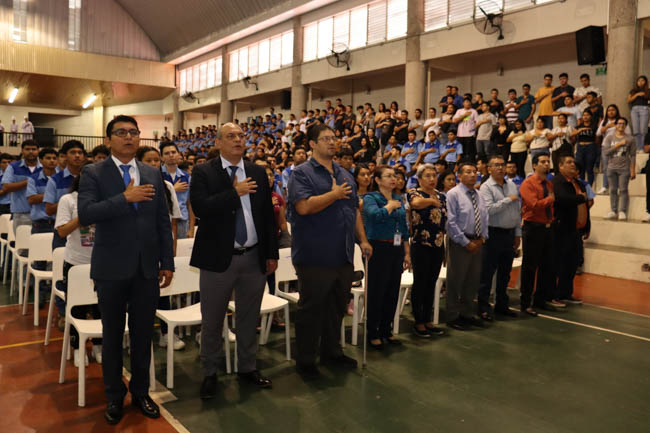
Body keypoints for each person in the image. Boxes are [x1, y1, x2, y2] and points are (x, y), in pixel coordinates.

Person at [78, 115, 174, 424]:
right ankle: (114, 397)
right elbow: (86, 212)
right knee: (113, 335)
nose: (129, 137)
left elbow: (162, 219)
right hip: (110, 268)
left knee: (144, 335)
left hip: (146, 268)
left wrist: (167, 262)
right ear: (108, 140)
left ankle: (142, 392)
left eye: (134, 132)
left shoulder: (151, 173)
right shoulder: (93, 172)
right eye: (121, 133)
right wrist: (124, 197)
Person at [190, 122, 278, 398]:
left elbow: (266, 216)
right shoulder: (204, 171)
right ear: (218, 143)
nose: (238, 140)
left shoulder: (256, 171)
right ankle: (210, 372)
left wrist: (271, 254)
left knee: (248, 317)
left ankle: (247, 367)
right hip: (219, 258)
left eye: (241, 136)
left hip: (253, 257)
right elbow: (201, 208)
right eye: (231, 136)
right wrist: (234, 193)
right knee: (213, 319)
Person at [287, 123, 372, 377]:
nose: (332, 142)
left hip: (343, 254)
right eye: (325, 139)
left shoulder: (344, 173)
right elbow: (303, 207)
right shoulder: (301, 174)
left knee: (336, 308)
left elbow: (354, 209)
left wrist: (363, 240)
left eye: (334, 138)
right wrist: (333, 195)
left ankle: (331, 352)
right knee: (312, 310)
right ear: (312, 144)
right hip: (315, 254)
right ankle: (306, 361)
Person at [136, 146, 185, 350]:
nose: (155, 164)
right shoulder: (133, 185)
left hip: (158, 248)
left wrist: (170, 253)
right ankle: (135, 338)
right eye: (150, 160)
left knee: (161, 294)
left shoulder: (166, 186)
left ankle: (166, 334)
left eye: (157, 160)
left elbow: (171, 223)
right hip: (136, 248)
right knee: (136, 298)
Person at [55, 165, 103, 367]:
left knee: (101, 308)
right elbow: (62, 231)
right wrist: (82, 217)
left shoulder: (104, 200)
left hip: (102, 261)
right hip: (76, 263)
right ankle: (78, 347)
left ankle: (100, 346)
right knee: (77, 309)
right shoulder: (68, 200)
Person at [362, 165, 409, 348]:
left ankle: (386, 330)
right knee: (377, 291)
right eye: (388, 176)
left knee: (392, 291)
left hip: (396, 248)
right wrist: (389, 207)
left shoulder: (399, 198)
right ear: (378, 180)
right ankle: (373, 332)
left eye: (395, 176)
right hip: (378, 247)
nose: (393, 179)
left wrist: (407, 252)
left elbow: (404, 227)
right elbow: (374, 216)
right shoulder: (370, 198)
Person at [445, 161, 489, 330]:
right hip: (460, 242)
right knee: (456, 280)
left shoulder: (478, 194)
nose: (473, 174)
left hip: (477, 242)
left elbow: (484, 218)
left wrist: (482, 239)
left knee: (472, 280)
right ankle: (453, 315)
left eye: (475, 172)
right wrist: (465, 242)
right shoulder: (453, 194)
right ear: (460, 176)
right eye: (468, 172)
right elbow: (451, 221)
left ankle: (467, 313)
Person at [477, 155, 521, 320]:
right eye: (496, 165)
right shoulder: (486, 187)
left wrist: (517, 234)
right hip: (493, 234)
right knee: (487, 273)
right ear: (489, 169)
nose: (501, 168)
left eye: (503, 165)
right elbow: (488, 210)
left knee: (505, 273)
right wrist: (507, 200)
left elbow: (517, 211)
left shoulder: (511, 185)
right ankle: (483, 307)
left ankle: (502, 305)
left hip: (509, 234)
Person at [519, 152, 563, 316]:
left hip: (547, 228)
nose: (546, 164)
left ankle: (540, 299)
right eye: (543, 161)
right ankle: (525, 303)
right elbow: (533, 205)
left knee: (547, 266)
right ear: (535, 165)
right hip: (533, 228)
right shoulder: (528, 183)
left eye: (548, 161)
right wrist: (550, 200)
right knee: (530, 267)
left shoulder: (549, 184)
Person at [408, 164, 446, 337]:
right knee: (420, 282)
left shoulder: (442, 196)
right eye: (428, 176)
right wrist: (431, 200)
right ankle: (418, 321)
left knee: (431, 282)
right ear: (420, 178)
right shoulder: (414, 192)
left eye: (434, 175)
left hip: (438, 244)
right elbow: (416, 204)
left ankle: (427, 318)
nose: (432, 179)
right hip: (420, 244)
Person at [552, 154, 589, 305]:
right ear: (561, 167)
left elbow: (585, 206)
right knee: (559, 263)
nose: (573, 165)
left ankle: (566, 293)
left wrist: (586, 226)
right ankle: (554, 294)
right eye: (568, 162)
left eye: (573, 162)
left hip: (576, 229)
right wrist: (581, 198)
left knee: (572, 263)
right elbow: (561, 199)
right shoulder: (558, 182)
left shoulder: (578, 183)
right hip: (562, 229)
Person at [44, 140, 86, 248]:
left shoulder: (90, 177)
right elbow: (49, 210)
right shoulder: (55, 179)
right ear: (64, 156)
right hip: (62, 229)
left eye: (80, 152)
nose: (77, 155)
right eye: (73, 152)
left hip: (85, 231)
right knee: (61, 263)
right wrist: (71, 200)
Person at [2, 140, 42, 234]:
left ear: (38, 150)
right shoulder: (13, 167)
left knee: (42, 247)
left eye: (34, 149)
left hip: (43, 215)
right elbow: (6, 187)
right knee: (23, 247)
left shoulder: (45, 167)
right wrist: (29, 181)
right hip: (21, 214)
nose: (31, 151)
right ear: (22, 151)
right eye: (27, 149)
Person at [602, 118, 636, 221]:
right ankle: (613, 210)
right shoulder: (609, 137)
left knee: (623, 190)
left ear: (626, 126)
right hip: (611, 168)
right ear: (616, 125)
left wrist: (633, 170)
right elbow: (606, 152)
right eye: (619, 123)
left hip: (624, 168)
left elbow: (633, 155)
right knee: (612, 190)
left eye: (623, 123)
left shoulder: (630, 139)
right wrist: (618, 145)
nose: (621, 125)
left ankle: (622, 211)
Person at [161, 142, 193, 239]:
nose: (171, 155)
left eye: (173, 152)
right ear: (161, 157)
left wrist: (191, 228)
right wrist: (173, 190)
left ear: (179, 154)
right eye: (166, 153)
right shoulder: (156, 175)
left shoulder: (187, 177)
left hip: (182, 222)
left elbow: (190, 204)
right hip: (163, 221)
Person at [572, 111, 597, 185]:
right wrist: (581, 130)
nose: (585, 117)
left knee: (589, 168)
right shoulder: (578, 126)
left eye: (587, 115)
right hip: (580, 147)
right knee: (580, 168)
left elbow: (597, 136)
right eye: (584, 115)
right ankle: (581, 187)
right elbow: (572, 134)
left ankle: (589, 187)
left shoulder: (594, 126)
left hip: (590, 147)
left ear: (591, 116)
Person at [627, 75, 649, 152]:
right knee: (636, 130)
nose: (640, 82)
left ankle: (642, 148)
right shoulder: (633, 90)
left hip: (644, 108)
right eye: (639, 80)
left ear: (645, 82)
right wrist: (637, 94)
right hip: (634, 109)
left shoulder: (648, 90)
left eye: (642, 80)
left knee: (643, 129)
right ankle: (637, 147)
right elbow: (629, 100)